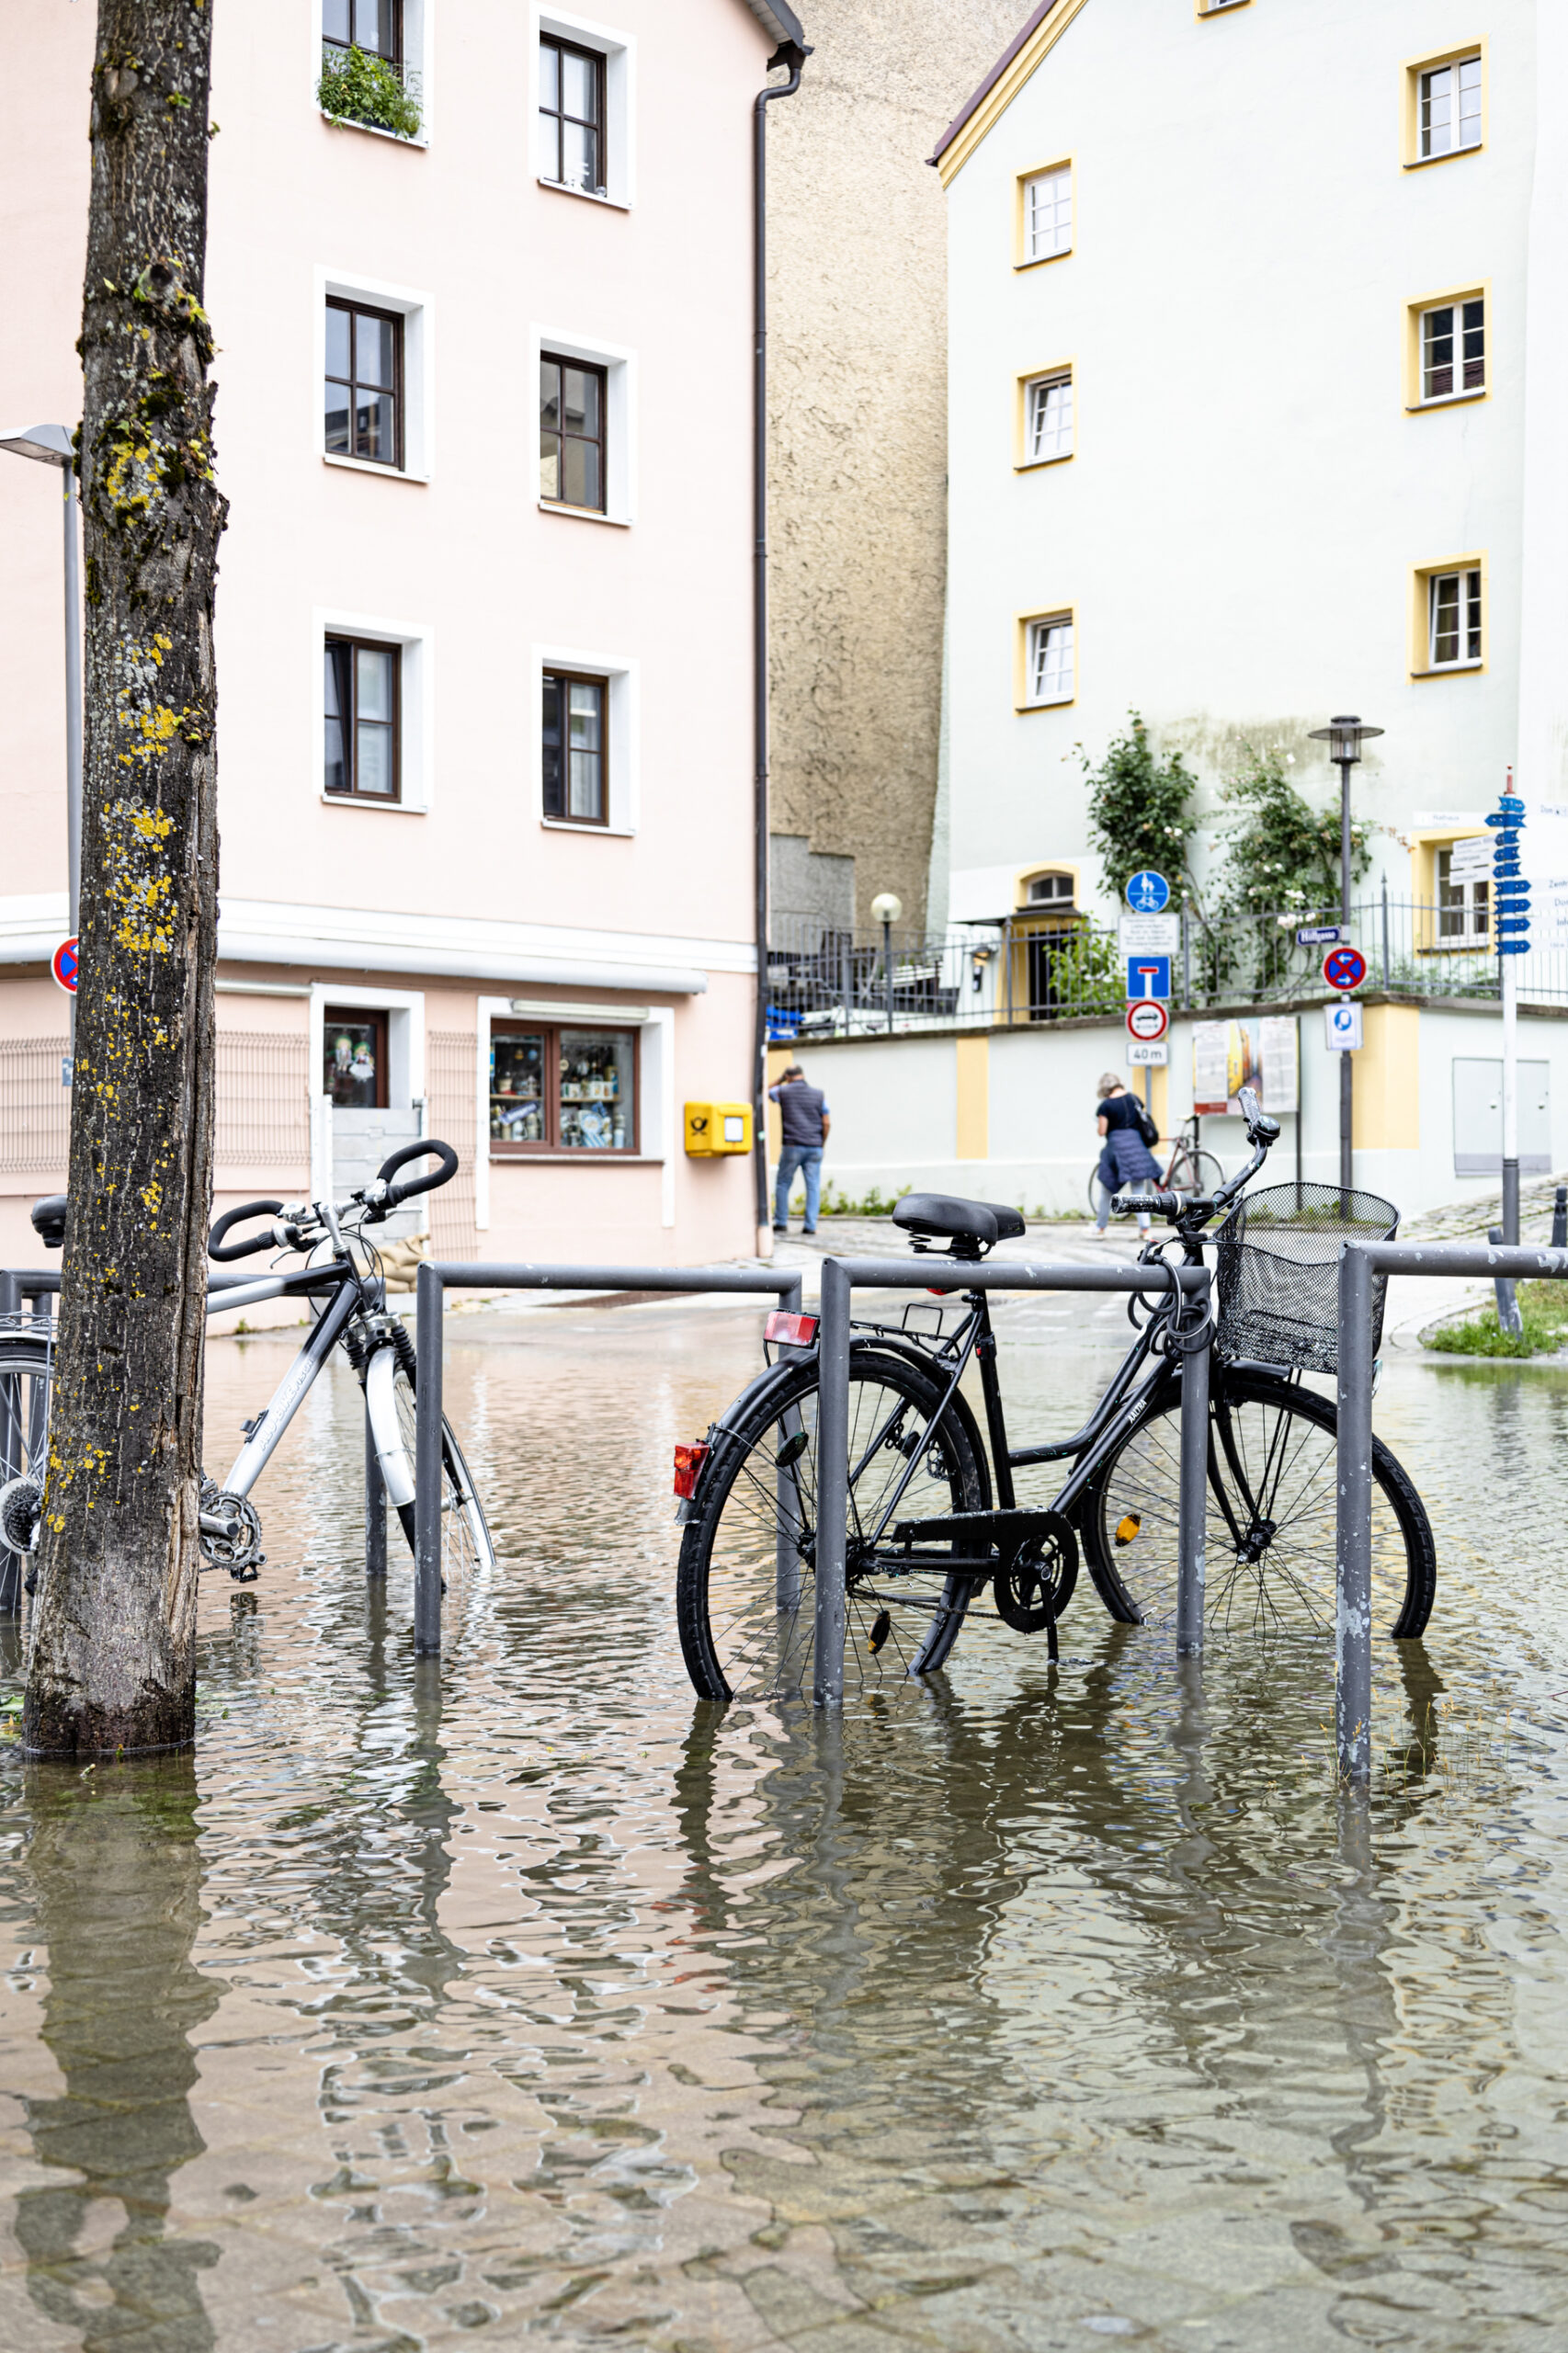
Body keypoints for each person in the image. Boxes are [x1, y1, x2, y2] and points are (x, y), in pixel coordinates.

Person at [768, 1063, 831, 1235]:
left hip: (792, 1145)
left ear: (788, 1077)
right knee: (813, 1186)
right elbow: (826, 1122)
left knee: (783, 1183)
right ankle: (810, 1226)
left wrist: (780, 1079)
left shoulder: (782, 1091)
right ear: (802, 1075)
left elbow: (764, 1091)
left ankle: (781, 1222)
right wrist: (821, 1143)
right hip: (815, 1147)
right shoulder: (819, 1095)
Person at [1094, 1071, 1155, 1238]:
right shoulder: (1134, 1099)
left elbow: (1102, 1131)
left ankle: (1100, 1228)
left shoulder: (1105, 1106)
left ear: (1105, 1089)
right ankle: (1145, 1229)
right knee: (1138, 1189)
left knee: (1107, 1189)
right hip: (1136, 1147)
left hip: (1117, 1150)